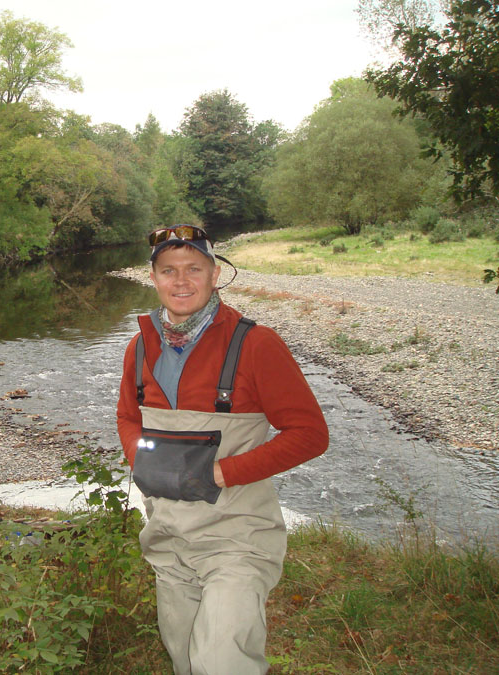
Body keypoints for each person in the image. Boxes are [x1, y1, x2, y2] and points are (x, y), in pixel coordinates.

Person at [116, 224, 328, 675]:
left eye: (194, 268)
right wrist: (144, 462)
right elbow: (128, 418)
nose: (181, 281)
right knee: (183, 658)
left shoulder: (255, 344)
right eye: (168, 270)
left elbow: (309, 433)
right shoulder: (139, 346)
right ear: (151, 278)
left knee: (220, 662)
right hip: (168, 536)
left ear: (215, 274)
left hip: (238, 539)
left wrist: (218, 474)